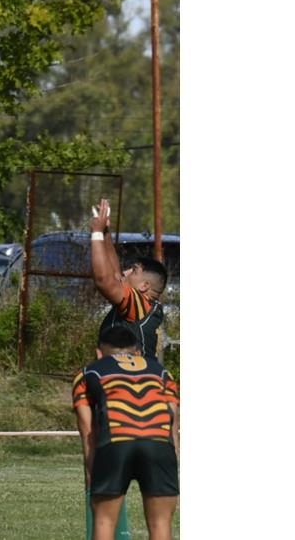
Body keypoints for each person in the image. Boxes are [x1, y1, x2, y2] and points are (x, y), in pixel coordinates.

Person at [73, 326, 179, 540]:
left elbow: (88, 431)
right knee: (161, 524)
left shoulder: (89, 372)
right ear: (138, 352)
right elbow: (173, 422)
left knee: (104, 521)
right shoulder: (162, 372)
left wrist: (91, 474)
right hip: (159, 443)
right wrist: (172, 460)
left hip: (116, 441)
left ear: (99, 353)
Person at [89, 199, 169, 359]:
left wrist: (96, 233)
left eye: (133, 271)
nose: (125, 272)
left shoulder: (139, 305)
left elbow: (104, 281)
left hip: (132, 381)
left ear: (144, 286)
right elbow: (115, 275)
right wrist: (105, 231)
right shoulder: (143, 305)